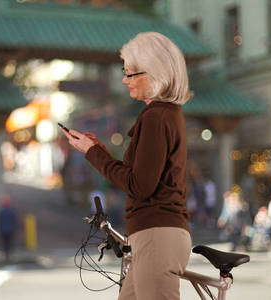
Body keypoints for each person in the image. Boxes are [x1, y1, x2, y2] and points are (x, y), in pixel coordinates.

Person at [62, 32, 193, 300]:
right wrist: (98, 151)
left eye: (131, 73)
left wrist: (92, 152)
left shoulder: (156, 117)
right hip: (156, 234)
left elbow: (139, 185)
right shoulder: (164, 115)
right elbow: (142, 175)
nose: (124, 80)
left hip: (157, 235)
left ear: (155, 72)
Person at [0, 195, 17, 261]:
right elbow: (14, 221)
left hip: (4, 230)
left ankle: (6, 255)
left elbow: (0, 221)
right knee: (9, 243)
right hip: (10, 230)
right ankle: (8, 255)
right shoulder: (11, 211)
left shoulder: (2, 211)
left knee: (5, 243)